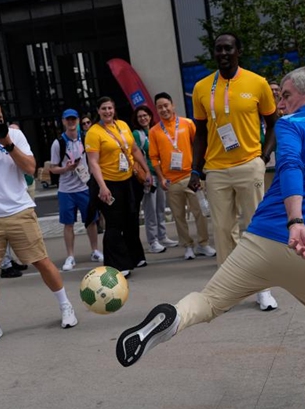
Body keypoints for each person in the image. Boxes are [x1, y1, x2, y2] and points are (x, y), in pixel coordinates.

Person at [115, 65, 305, 409]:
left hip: (263, 241)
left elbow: (290, 165)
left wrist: (294, 220)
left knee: (209, 301)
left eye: (287, 95)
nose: (280, 103)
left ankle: (172, 320)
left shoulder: (294, 126)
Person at [0, 96, 78, 347]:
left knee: (41, 261)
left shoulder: (14, 136)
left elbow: (31, 168)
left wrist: (7, 141)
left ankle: (66, 307)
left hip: (20, 210)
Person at [190, 32, 278, 311]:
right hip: (215, 170)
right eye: (218, 49)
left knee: (255, 229)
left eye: (228, 48)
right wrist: (195, 168)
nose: (223, 53)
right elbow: (201, 133)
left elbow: (274, 123)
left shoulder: (257, 83)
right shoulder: (202, 88)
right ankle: (226, 292)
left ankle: (262, 289)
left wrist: (263, 158)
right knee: (223, 231)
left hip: (249, 164)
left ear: (239, 51)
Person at [85, 96, 151, 277]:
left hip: (128, 180)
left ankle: (134, 256)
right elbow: (93, 163)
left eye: (110, 108)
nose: (107, 112)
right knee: (114, 223)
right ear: (98, 111)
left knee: (131, 219)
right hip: (108, 182)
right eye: (104, 108)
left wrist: (147, 171)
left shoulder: (122, 125)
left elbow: (134, 149)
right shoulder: (94, 132)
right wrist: (102, 187)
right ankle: (116, 264)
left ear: (114, 110)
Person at [149, 92, 216, 260]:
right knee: (178, 216)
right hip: (171, 180)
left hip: (191, 176)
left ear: (173, 105)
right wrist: (161, 177)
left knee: (199, 211)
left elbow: (200, 144)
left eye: (166, 105)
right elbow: (154, 157)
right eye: (160, 107)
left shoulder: (187, 123)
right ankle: (187, 246)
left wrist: (200, 170)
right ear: (156, 110)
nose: (164, 109)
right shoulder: (154, 131)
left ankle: (203, 243)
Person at [49, 108, 103, 271]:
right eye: (68, 120)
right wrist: (66, 169)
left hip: (85, 186)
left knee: (91, 221)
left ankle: (94, 250)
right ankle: (70, 255)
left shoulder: (86, 139)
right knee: (68, 224)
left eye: (74, 119)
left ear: (78, 120)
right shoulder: (58, 143)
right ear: (64, 121)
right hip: (66, 189)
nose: (71, 122)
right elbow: (52, 168)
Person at [131, 105, 177, 254]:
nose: (143, 118)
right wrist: (144, 173)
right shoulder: (137, 134)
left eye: (145, 115)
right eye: (140, 117)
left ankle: (162, 236)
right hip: (148, 176)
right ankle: (153, 241)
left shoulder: (157, 130)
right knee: (150, 210)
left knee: (160, 207)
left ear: (150, 116)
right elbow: (135, 154)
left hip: (160, 174)